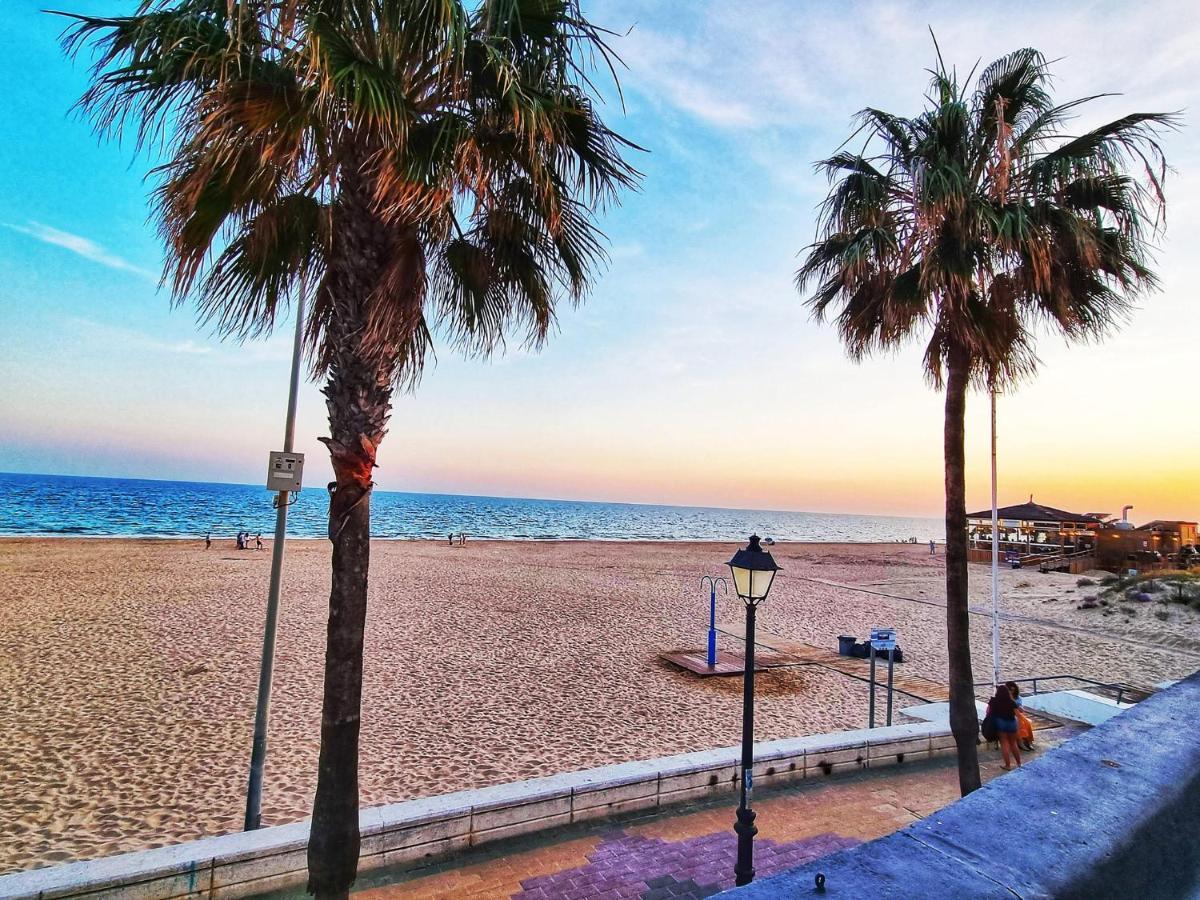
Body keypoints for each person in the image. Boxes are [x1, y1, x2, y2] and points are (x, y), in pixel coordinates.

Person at [987, 684, 1022, 769]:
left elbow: (988, 711)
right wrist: (1019, 726)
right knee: (1013, 743)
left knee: (1004, 743)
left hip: (1001, 722)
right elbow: (1018, 715)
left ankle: (1008, 765)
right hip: (1012, 722)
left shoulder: (993, 700)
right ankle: (1019, 763)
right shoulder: (1011, 702)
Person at [1008, 681, 1035, 752]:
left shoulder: (1018, 698)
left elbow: (1021, 709)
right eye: (1010, 690)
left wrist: (1019, 706)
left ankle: (1029, 741)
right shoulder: (1005, 698)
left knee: (1027, 723)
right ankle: (1021, 742)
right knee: (1019, 723)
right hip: (1010, 715)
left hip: (1018, 714)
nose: (1012, 692)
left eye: (1013, 690)